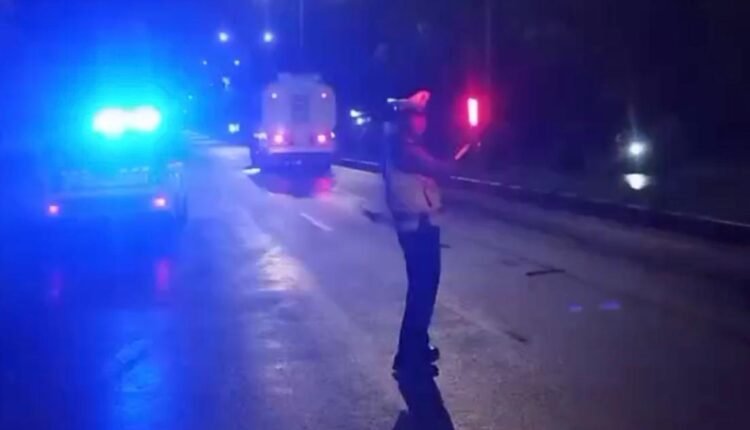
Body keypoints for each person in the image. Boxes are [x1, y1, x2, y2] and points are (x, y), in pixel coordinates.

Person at [383, 90, 454, 376]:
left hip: (421, 224)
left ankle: (416, 347)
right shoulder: (403, 148)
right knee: (422, 290)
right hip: (416, 227)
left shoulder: (405, 144)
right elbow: (434, 167)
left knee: (424, 289)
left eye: (423, 116)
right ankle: (409, 357)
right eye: (417, 116)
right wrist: (450, 165)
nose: (422, 121)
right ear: (406, 120)